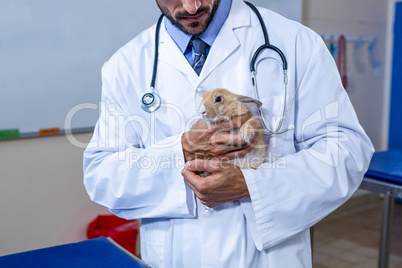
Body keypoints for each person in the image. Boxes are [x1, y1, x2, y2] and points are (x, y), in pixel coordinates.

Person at [83, 0, 374, 267]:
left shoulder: (296, 43)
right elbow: (102, 174)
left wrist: (253, 186)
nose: (191, 6)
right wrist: (182, 149)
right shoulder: (126, 64)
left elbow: (346, 151)